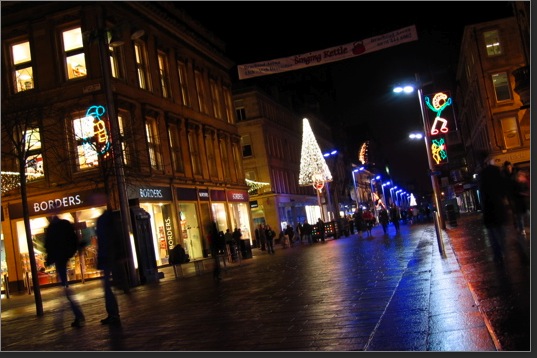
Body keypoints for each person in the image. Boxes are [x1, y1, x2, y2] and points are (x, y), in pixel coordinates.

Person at [44, 213, 85, 328]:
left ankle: (76, 314)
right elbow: (73, 239)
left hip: (60, 259)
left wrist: (50, 259)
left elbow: (49, 245)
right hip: (64, 257)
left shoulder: (52, 228)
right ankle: (75, 314)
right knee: (65, 288)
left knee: (65, 288)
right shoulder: (63, 224)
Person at [478, 154, 509, 259]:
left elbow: (482, 194)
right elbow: (504, 188)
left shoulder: (482, 174)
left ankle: (498, 254)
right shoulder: (497, 171)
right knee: (501, 232)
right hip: (498, 206)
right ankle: (503, 251)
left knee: (493, 234)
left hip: (489, 209)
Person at [95, 209, 122, 325]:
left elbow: (114, 239)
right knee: (108, 287)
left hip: (108, 257)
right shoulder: (104, 219)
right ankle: (112, 314)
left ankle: (113, 314)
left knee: (108, 287)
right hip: (107, 257)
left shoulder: (106, 219)